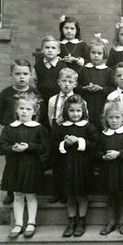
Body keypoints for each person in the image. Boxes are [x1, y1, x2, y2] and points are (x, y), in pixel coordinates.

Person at [0, 92, 49, 239]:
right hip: (14, 166)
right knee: (17, 195)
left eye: (28, 109)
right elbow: (1, 147)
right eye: (21, 108)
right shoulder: (9, 128)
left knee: (30, 195)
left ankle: (31, 222)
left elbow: (45, 148)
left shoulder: (38, 128)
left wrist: (28, 146)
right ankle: (18, 223)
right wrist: (12, 148)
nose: (24, 112)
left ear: (34, 111)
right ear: (16, 110)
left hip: (31, 166)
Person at [0, 59, 42, 205]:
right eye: (18, 73)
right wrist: (6, 123)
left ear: (30, 75)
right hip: (12, 132)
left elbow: (41, 110)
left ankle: (29, 190)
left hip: (30, 132)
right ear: (11, 74)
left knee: (28, 163)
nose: (21, 77)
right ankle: (11, 192)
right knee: (12, 163)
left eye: (25, 74)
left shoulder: (34, 92)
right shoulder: (6, 93)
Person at [52, 95, 99, 237]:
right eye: (72, 111)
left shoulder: (88, 127)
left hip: (83, 166)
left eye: (78, 111)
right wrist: (65, 143)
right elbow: (54, 145)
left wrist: (79, 141)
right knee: (71, 194)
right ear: (66, 111)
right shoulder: (60, 128)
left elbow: (95, 144)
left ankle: (82, 221)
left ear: (83, 111)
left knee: (82, 193)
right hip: (67, 166)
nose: (75, 114)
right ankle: (72, 221)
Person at [98, 102, 123, 235]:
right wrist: (103, 156)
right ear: (105, 119)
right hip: (109, 171)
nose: (114, 121)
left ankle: (122, 222)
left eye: (117, 117)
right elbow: (97, 152)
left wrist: (119, 153)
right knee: (111, 197)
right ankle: (111, 222)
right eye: (110, 118)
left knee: (122, 196)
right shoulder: (103, 134)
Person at [47, 67, 79, 204]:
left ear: (75, 84)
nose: (66, 84)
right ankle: (57, 192)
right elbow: (50, 117)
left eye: (70, 81)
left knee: (69, 166)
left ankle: (68, 193)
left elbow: (84, 118)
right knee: (57, 164)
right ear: (58, 82)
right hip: (57, 133)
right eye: (64, 81)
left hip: (73, 133)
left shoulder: (80, 100)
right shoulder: (53, 100)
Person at [77, 34, 115, 130]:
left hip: (102, 103)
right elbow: (76, 86)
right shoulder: (83, 70)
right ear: (89, 53)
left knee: (101, 125)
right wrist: (84, 88)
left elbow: (113, 89)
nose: (96, 56)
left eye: (99, 53)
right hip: (87, 103)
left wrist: (101, 89)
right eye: (93, 53)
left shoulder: (108, 71)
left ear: (104, 54)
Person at [34, 35, 67, 127]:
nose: (50, 50)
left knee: (56, 124)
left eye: (53, 48)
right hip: (42, 100)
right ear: (42, 49)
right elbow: (35, 81)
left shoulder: (62, 67)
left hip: (57, 101)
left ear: (58, 51)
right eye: (47, 47)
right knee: (43, 124)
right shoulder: (38, 66)